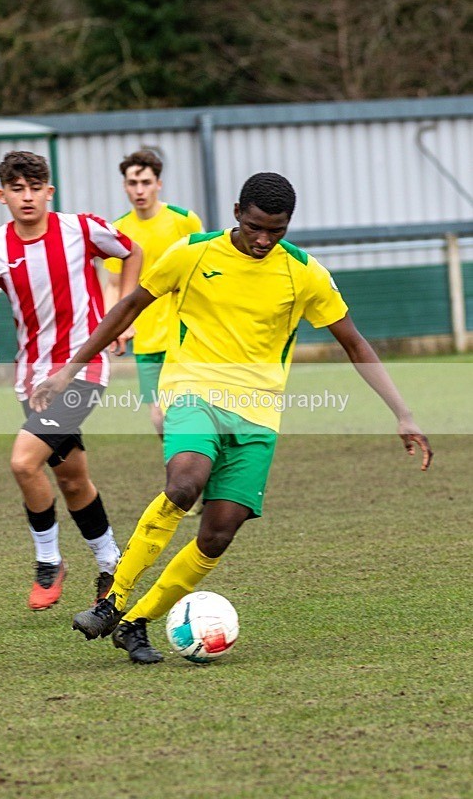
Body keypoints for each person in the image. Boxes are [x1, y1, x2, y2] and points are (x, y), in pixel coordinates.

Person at [31, 172, 433, 662]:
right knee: (184, 484)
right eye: (256, 226)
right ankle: (113, 601)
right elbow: (128, 308)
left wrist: (403, 413)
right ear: (238, 211)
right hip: (192, 393)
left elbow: (354, 342)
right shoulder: (192, 252)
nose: (264, 239)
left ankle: (137, 623)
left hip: (259, 416)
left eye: (277, 230)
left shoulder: (303, 273)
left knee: (218, 533)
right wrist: (68, 371)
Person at [0, 150, 142, 610]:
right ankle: (111, 563)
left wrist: (123, 316)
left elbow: (132, 251)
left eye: (35, 187)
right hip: (34, 379)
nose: (27, 197)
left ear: (49, 192)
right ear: (2, 196)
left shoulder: (81, 229)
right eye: (17, 189)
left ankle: (49, 560)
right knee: (73, 479)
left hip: (84, 367)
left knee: (24, 462)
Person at [104, 149, 202, 438]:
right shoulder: (119, 229)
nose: (139, 190)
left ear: (158, 184)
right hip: (145, 339)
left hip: (185, 334)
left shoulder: (185, 221)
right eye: (133, 183)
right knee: (159, 417)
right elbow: (112, 284)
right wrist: (116, 327)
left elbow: (203, 272)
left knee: (189, 408)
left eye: (146, 182)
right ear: (124, 186)